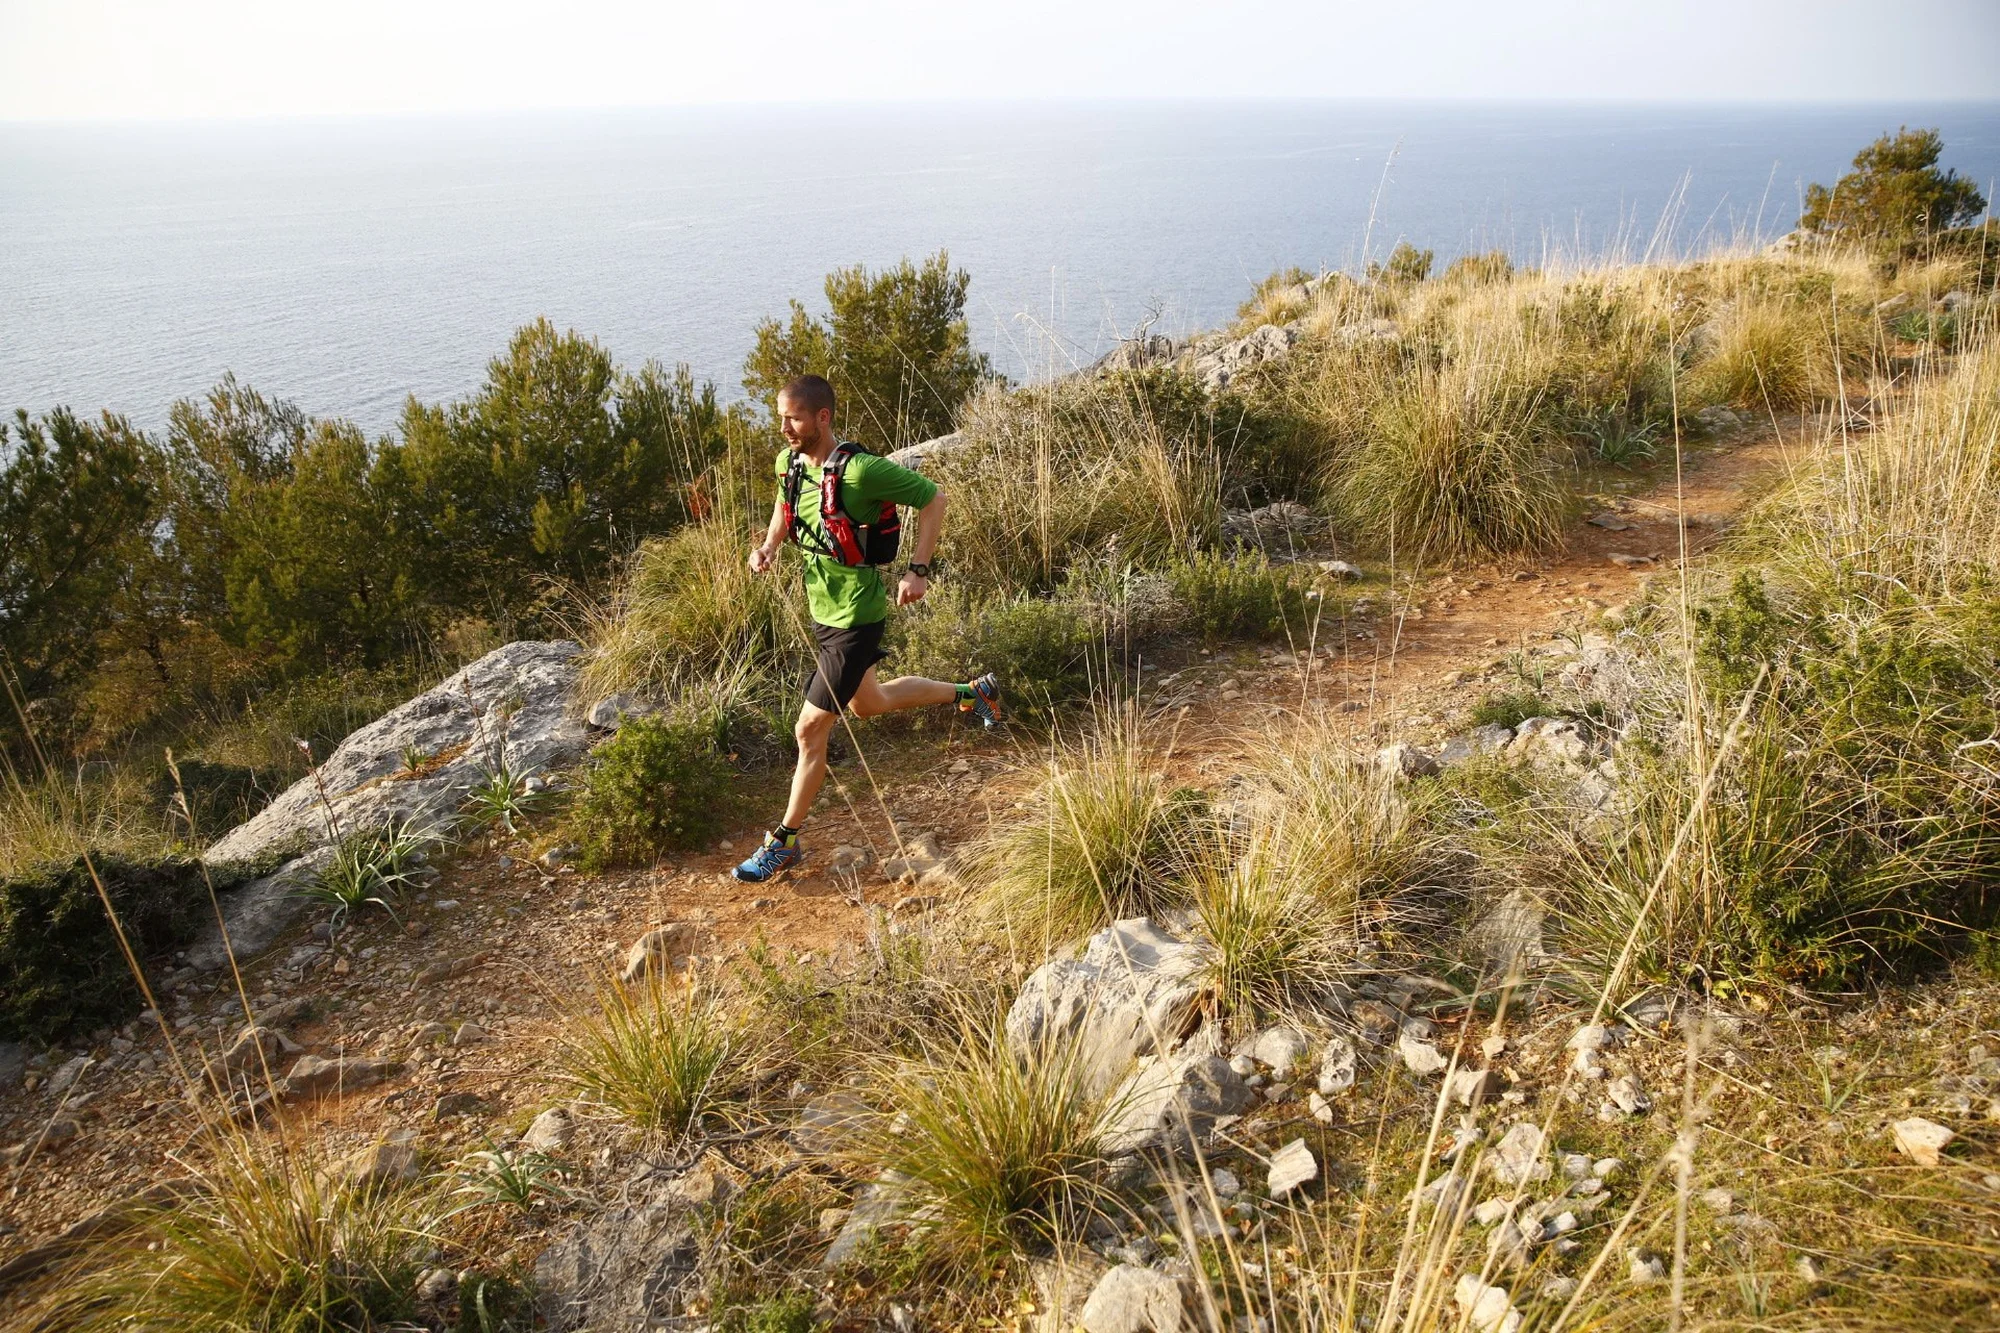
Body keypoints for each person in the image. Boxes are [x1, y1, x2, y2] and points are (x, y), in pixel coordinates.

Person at [731, 374, 1001, 884]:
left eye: (793, 418)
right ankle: (974, 692)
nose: (784, 427)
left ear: (823, 418)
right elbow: (786, 508)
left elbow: (933, 499)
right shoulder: (788, 462)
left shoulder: (861, 472)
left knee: (809, 729)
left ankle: (783, 843)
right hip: (822, 608)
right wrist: (767, 546)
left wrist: (917, 570)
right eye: (781, 418)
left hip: (857, 613)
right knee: (868, 703)